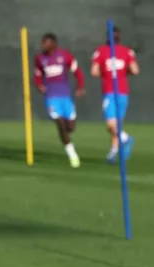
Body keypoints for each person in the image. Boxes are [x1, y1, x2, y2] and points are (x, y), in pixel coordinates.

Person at [34, 33, 84, 168]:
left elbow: (77, 71)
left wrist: (80, 86)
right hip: (51, 98)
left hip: (65, 97)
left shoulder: (65, 55)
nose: (43, 45)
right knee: (60, 125)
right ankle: (73, 155)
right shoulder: (39, 59)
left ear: (53, 43)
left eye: (46, 42)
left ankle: (67, 139)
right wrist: (39, 85)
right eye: (42, 42)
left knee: (70, 127)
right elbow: (37, 75)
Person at [90, 27, 139, 164]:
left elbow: (94, 72)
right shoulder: (127, 51)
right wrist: (122, 73)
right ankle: (113, 152)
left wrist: (106, 75)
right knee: (115, 124)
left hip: (111, 92)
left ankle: (126, 139)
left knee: (111, 124)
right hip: (123, 92)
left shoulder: (101, 51)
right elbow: (135, 70)